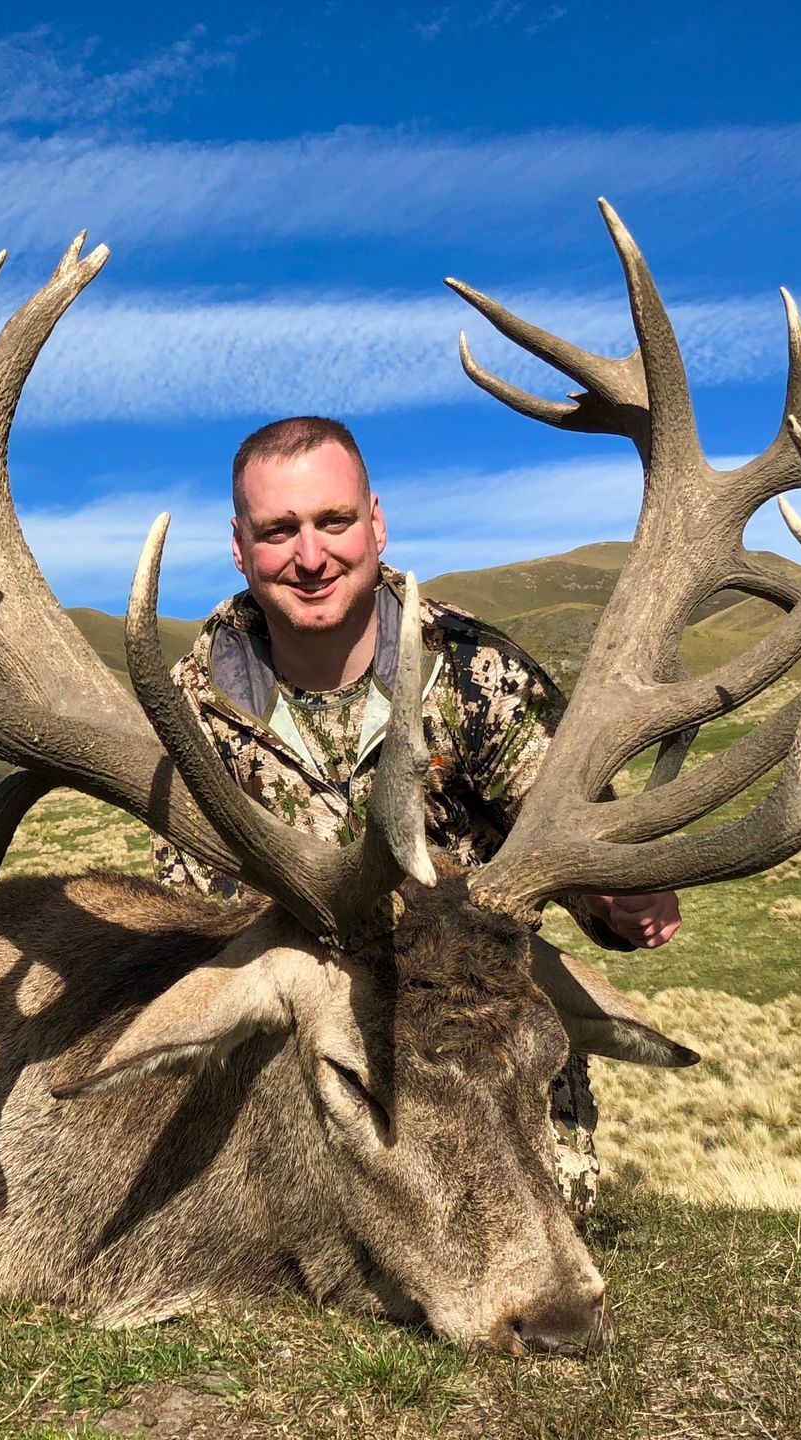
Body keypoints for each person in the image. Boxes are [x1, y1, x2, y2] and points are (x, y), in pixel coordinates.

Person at [152, 415, 682, 1213]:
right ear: (239, 546)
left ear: (376, 521)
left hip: (483, 1052)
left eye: (333, 521)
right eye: (278, 530)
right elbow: (195, 925)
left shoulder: (478, 673)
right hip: (301, 1075)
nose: (310, 556)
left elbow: (571, 833)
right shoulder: (190, 712)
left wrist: (618, 894)